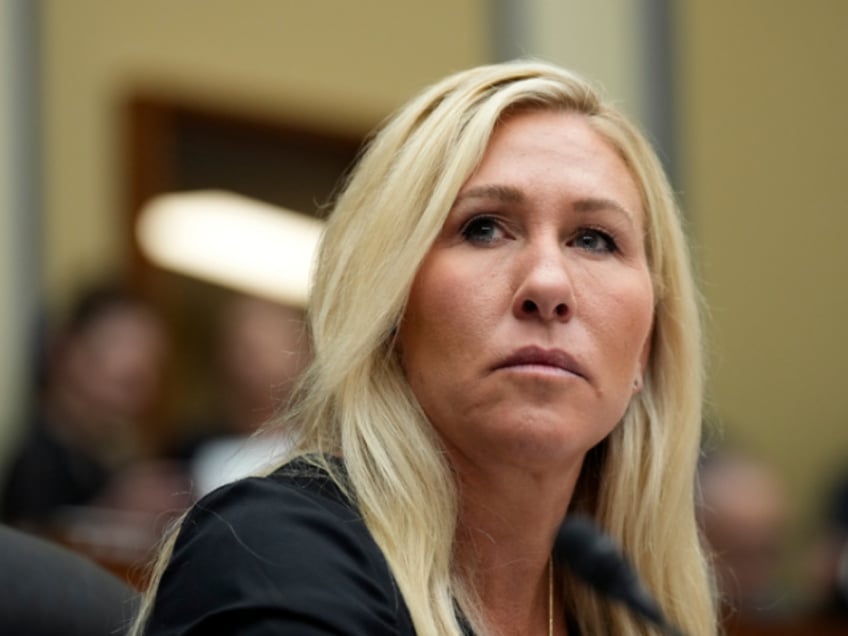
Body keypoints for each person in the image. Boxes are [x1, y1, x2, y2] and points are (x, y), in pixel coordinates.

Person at [131, 60, 717, 635]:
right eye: (483, 227)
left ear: (645, 347)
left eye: (594, 239)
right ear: (388, 312)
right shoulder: (272, 552)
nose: (548, 284)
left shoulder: (624, 610)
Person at [0, 282, 189, 530]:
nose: (141, 365)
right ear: (67, 351)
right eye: (120, 341)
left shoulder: (104, 463)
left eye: (155, 362)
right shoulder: (37, 468)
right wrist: (113, 509)